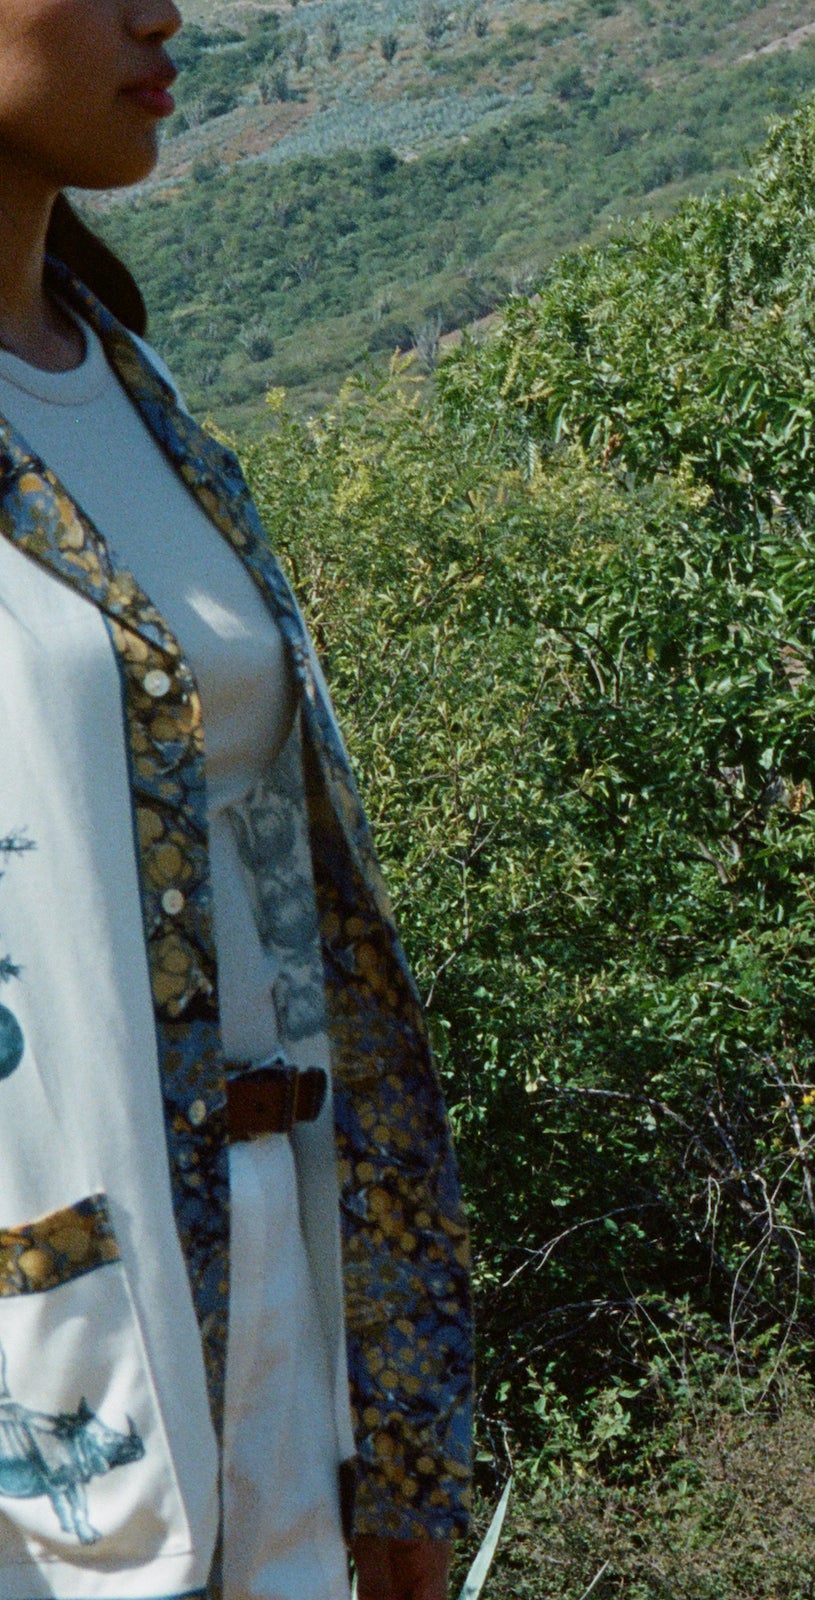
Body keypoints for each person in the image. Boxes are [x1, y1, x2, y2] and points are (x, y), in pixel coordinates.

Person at [0, 1, 472, 1596]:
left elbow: (305, 908)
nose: (168, 13)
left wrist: (393, 1418)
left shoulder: (131, 386)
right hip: (53, 1380)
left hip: (280, 1303)